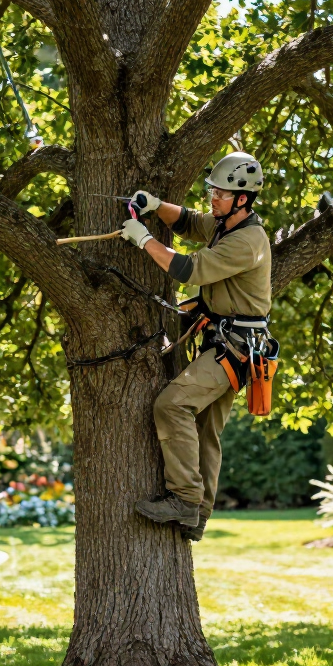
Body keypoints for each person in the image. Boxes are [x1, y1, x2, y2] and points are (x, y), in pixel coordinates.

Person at [119, 151, 271, 541]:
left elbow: (188, 271)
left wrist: (145, 240)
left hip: (235, 346)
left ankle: (185, 500)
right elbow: (187, 221)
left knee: (173, 405)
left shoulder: (247, 240)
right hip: (225, 340)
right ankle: (198, 514)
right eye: (212, 190)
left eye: (220, 193)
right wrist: (153, 207)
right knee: (204, 430)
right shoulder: (226, 225)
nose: (212, 198)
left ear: (242, 199)